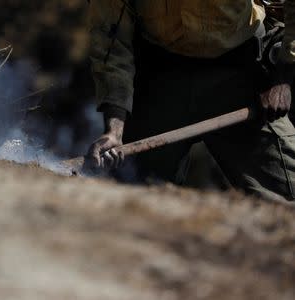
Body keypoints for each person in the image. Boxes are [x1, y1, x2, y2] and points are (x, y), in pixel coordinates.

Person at [87, 0, 295, 201]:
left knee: (286, 196)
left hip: (242, 75)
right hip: (161, 80)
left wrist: (283, 79)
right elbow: (111, 38)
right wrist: (114, 130)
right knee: (132, 196)